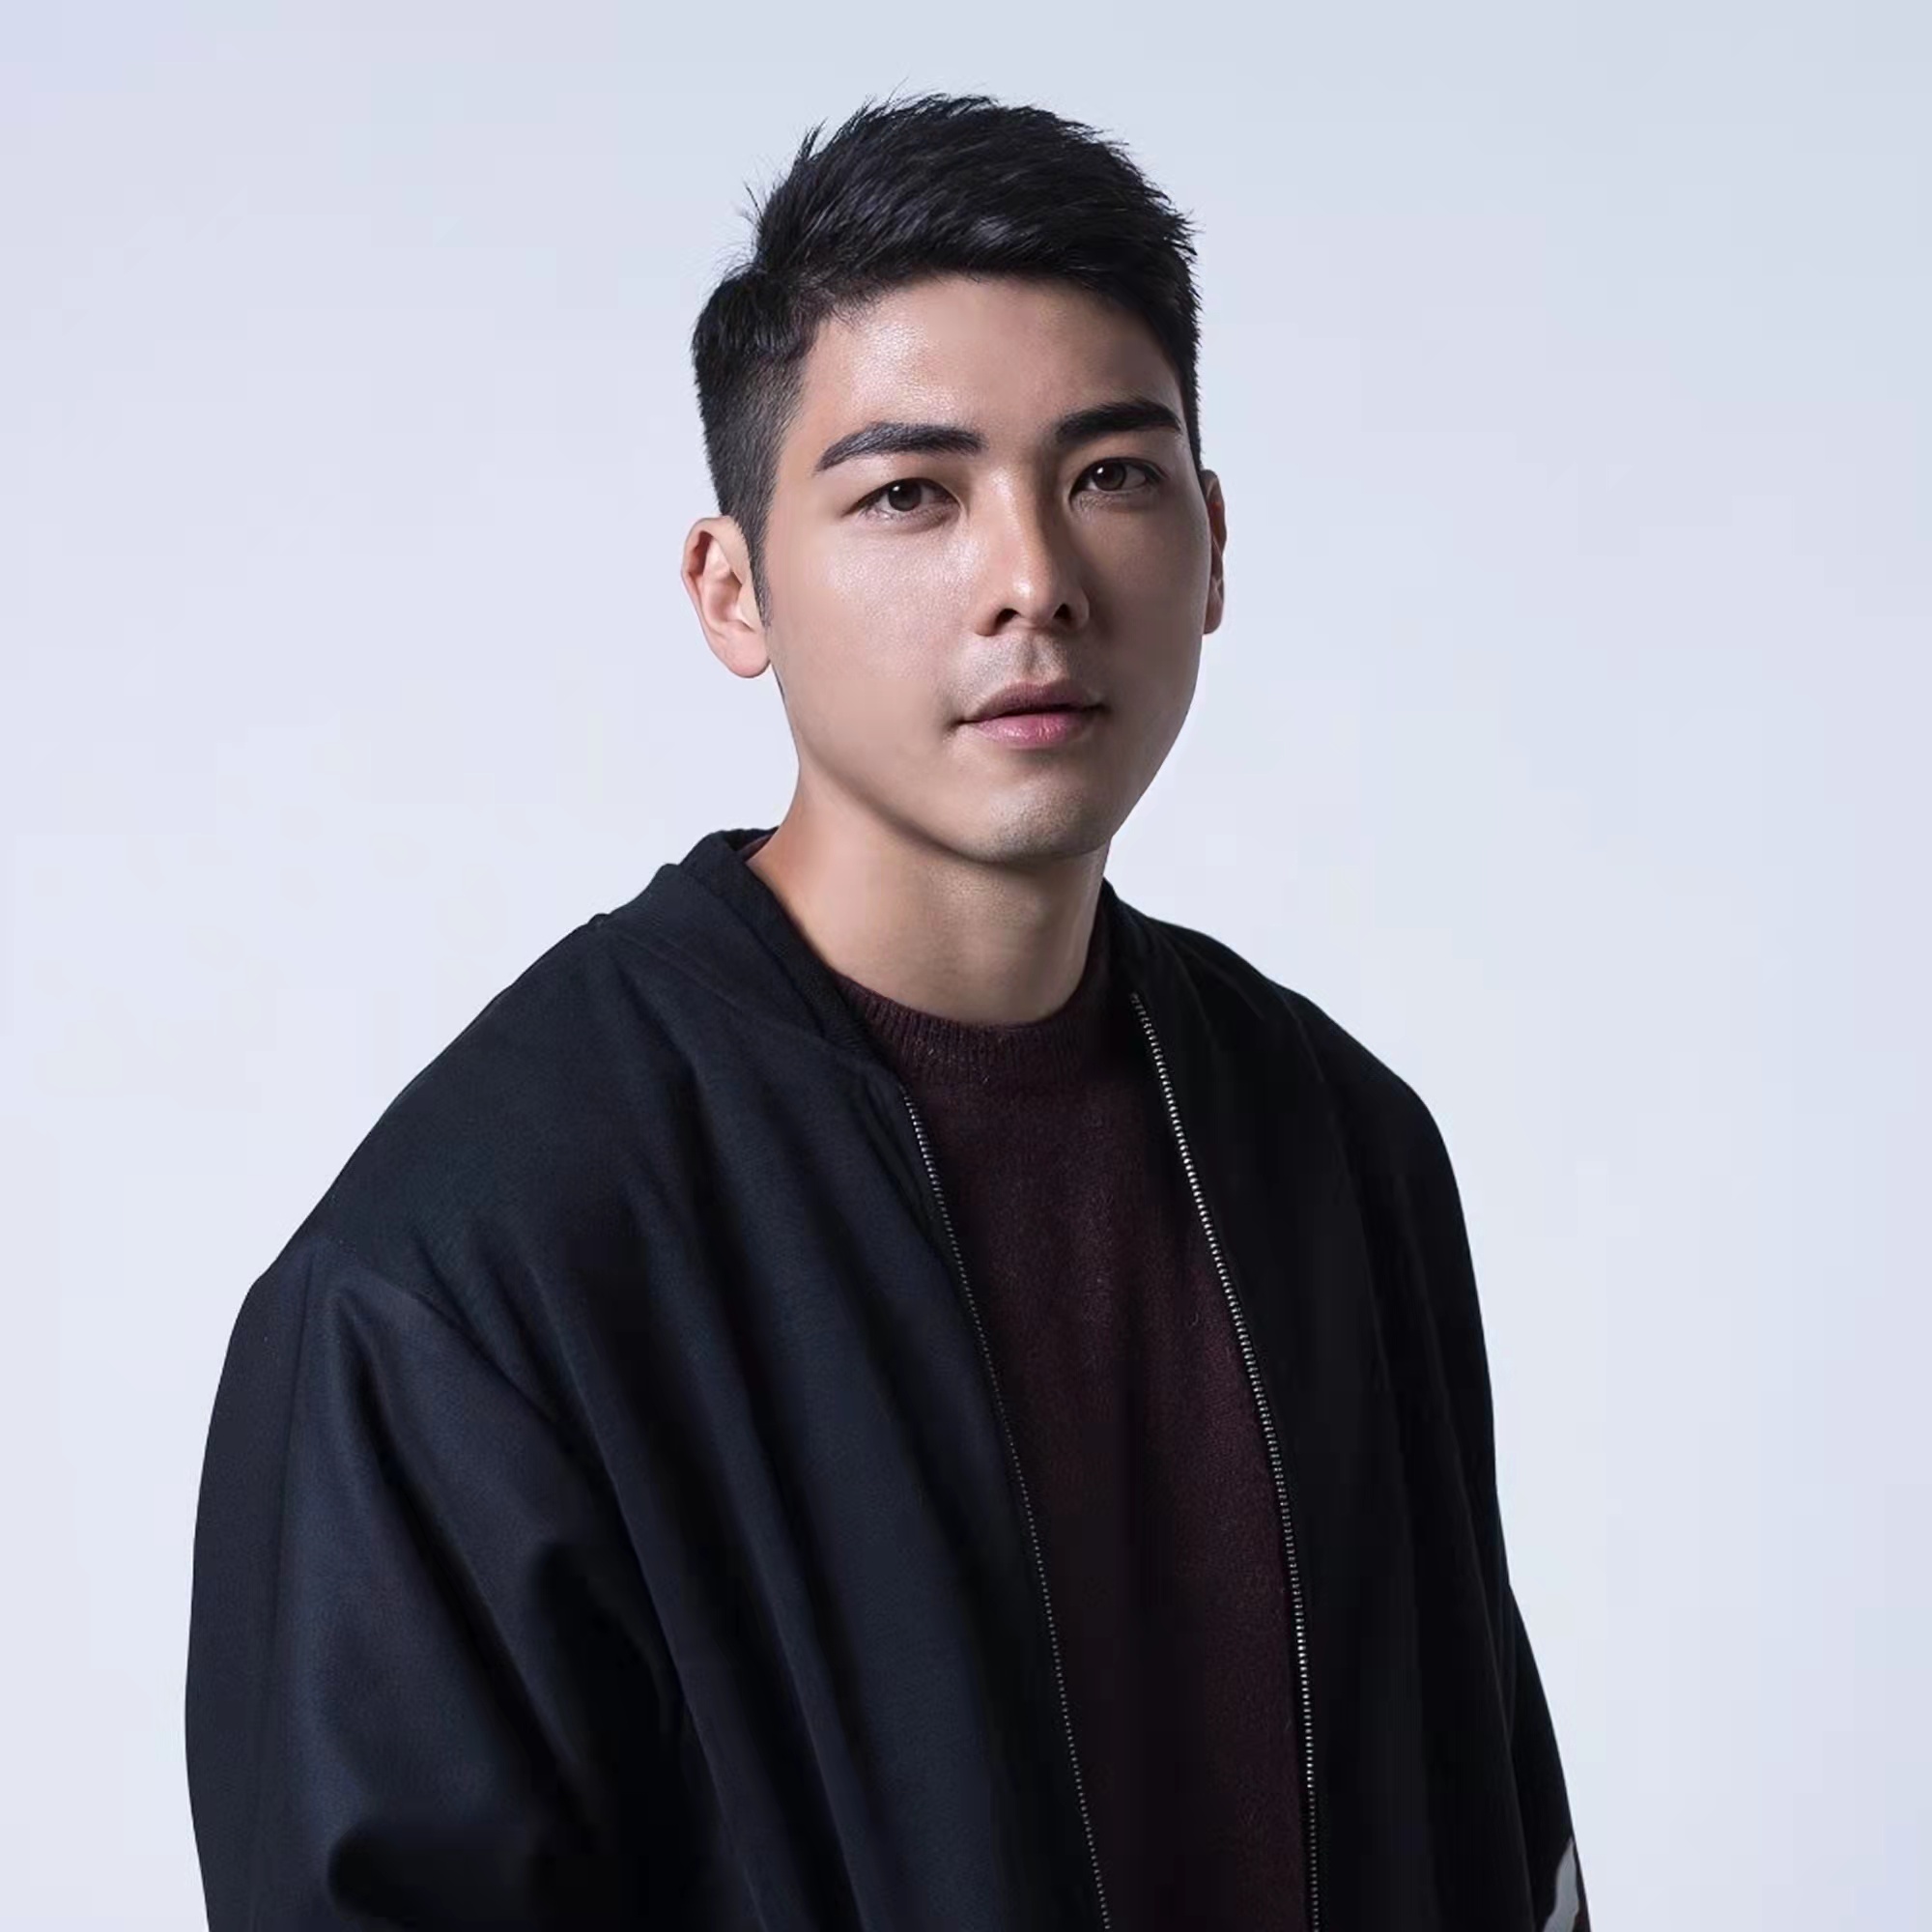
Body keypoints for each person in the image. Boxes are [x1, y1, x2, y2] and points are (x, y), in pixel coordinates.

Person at [185, 90, 1589, 1932]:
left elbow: (1493, 1834)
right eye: (910, 494)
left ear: (1216, 542)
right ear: (734, 589)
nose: (1033, 581)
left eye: (1111, 475)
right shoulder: (463, 1280)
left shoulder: (1337, 1149)